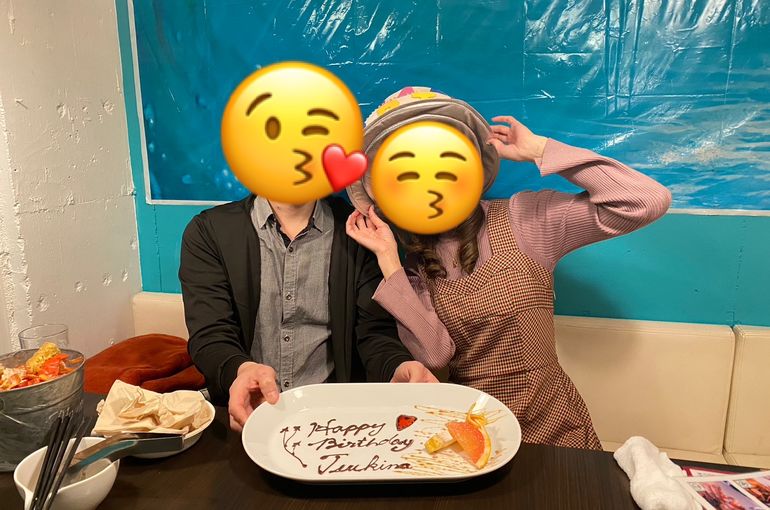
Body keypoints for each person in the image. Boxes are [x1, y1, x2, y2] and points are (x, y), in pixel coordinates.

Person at [345, 87, 671, 449]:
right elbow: (435, 355)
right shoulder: (414, 267)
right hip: (476, 434)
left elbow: (645, 201)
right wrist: (388, 258)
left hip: (557, 430)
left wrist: (539, 150)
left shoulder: (525, 218)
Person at [180, 194, 437, 432]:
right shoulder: (209, 231)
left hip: (334, 425)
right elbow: (211, 335)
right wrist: (242, 370)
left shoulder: (358, 230)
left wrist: (397, 365)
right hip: (244, 419)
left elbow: (374, 333)